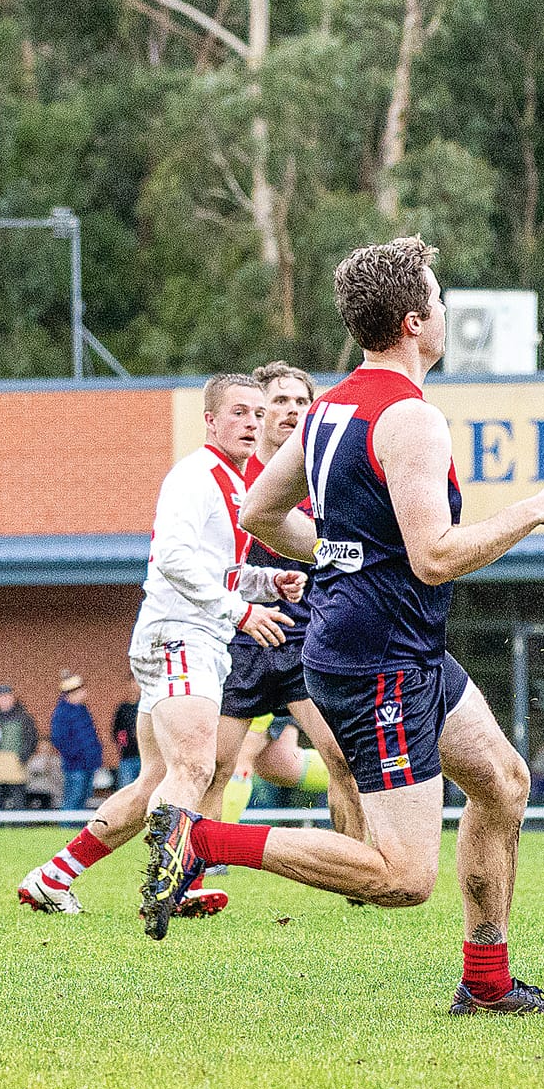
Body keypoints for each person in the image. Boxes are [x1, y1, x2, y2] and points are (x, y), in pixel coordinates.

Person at [189, 236, 544, 1012]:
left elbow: (260, 511)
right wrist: (536, 508)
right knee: (403, 878)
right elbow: (435, 557)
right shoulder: (411, 421)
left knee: (504, 784)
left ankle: (487, 984)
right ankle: (205, 840)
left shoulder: (334, 404)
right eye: (438, 300)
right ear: (414, 322)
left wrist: (341, 554)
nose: (444, 312)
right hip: (379, 659)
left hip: (399, 648)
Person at [16, 374, 299, 917]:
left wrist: (268, 586)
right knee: (195, 768)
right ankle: (174, 883)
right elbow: (170, 557)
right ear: (211, 420)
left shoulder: (236, 484)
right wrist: (240, 612)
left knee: (156, 780)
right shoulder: (195, 476)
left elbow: (217, 571)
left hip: (189, 637)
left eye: (258, 415)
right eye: (240, 412)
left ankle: (54, 876)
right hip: (179, 636)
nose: (252, 423)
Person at [215, 361, 366, 842]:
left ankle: (355, 866)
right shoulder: (238, 477)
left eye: (302, 402)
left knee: (341, 756)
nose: (292, 411)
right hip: (243, 639)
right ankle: (194, 866)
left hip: (307, 644)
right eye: (280, 400)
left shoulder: (326, 478)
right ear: (259, 411)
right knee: (218, 765)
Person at [50, 673, 103, 815]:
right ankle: (66, 829)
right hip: (75, 766)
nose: (84, 693)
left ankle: (76, 832)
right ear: (71, 693)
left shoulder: (82, 710)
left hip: (88, 764)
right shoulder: (63, 712)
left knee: (82, 800)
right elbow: (59, 738)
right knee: (73, 800)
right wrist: (76, 755)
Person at [0, 686, 34, 812]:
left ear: (12, 698)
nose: (4, 700)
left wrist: (22, 757)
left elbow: (31, 739)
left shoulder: (24, 718)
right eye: (1, 697)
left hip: (15, 764)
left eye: (7, 697)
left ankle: (19, 828)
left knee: (18, 800)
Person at [109, 677, 141, 790]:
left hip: (146, 759)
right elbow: (117, 731)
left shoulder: (146, 707)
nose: (136, 686)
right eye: (134, 682)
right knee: (126, 789)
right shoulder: (123, 708)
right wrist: (124, 745)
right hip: (128, 757)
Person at [25, 731, 64, 811]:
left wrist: (50, 769)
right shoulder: (31, 760)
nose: (44, 749)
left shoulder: (56, 760)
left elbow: (60, 779)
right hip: (33, 790)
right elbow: (27, 776)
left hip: (49, 790)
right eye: (42, 746)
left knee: (45, 798)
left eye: (46, 747)